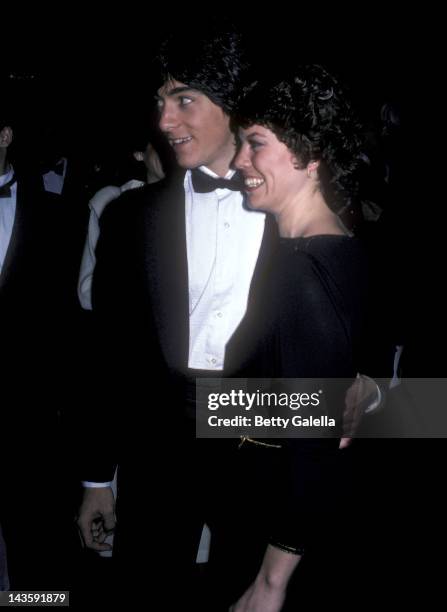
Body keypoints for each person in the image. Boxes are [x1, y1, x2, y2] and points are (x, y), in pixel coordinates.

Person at [76, 28, 379, 608]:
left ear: (232, 107)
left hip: (260, 455)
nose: (164, 121)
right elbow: (105, 357)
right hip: (156, 450)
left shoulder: (303, 220)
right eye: (160, 102)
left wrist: (368, 391)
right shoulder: (128, 217)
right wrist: (97, 478)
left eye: (184, 99)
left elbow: (358, 350)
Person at [204, 64, 369, 611]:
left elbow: (313, 432)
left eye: (255, 145)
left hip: (275, 530)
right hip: (291, 512)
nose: (239, 162)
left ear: (311, 154)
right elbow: (317, 405)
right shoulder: (341, 248)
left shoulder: (302, 266)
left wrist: (271, 582)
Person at [78, 134, 165, 310]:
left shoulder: (196, 201)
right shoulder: (112, 200)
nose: (167, 151)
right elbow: (86, 291)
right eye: (158, 145)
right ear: (140, 154)